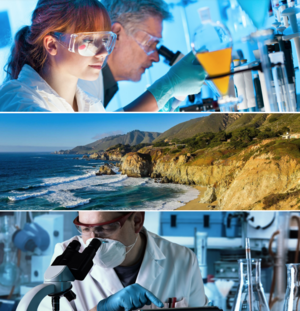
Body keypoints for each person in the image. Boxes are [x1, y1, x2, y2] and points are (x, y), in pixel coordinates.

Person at [0, 0, 206, 112]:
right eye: (88, 41)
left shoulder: (89, 105)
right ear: (52, 44)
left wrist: (163, 104)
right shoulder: (16, 100)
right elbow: (73, 144)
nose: (104, 52)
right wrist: (165, 88)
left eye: (105, 41)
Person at [38, 212, 207, 311]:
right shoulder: (65, 256)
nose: (93, 241)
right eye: (85, 229)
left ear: (136, 222)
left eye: (105, 228)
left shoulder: (182, 259)